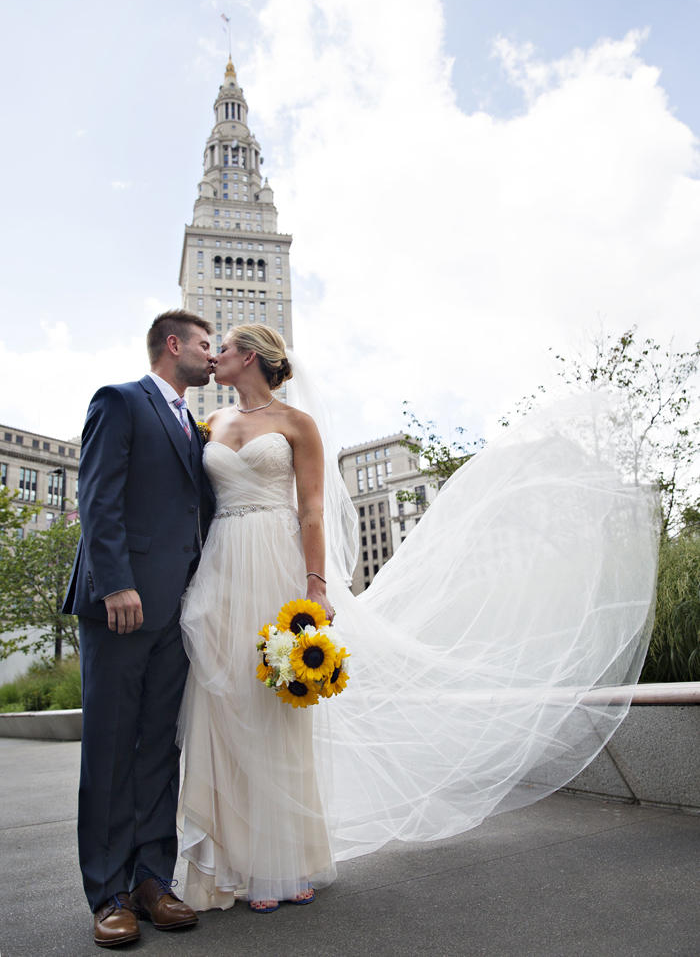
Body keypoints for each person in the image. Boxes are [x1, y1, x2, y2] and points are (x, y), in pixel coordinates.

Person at [178, 324, 660, 915]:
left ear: (248, 356)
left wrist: (315, 585)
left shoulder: (297, 424)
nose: (214, 357)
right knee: (222, 703)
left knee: (276, 708)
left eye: (221, 348)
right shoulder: (211, 426)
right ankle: (226, 861)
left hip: (276, 564)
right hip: (224, 565)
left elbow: (310, 508)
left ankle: (282, 861)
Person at [64, 309, 217, 947]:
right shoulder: (120, 402)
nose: (214, 355)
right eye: (206, 344)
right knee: (111, 747)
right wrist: (115, 582)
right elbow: (97, 497)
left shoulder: (196, 428)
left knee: (160, 748)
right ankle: (109, 893)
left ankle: (154, 879)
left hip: (177, 611)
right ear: (172, 344)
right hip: (122, 605)